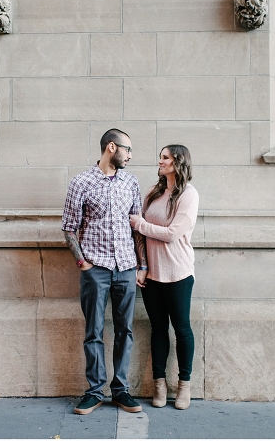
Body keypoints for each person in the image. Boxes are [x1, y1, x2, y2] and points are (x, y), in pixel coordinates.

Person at [62, 128, 148, 415]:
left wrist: (142, 265)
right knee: (94, 332)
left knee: (125, 330)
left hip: (126, 268)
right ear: (112, 148)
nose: (130, 155)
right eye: (128, 149)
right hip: (95, 268)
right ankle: (94, 391)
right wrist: (83, 264)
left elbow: (137, 227)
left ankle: (121, 391)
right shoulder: (81, 182)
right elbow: (69, 228)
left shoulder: (131, 183)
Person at [129, 144, 199, 410]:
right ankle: (159, 385)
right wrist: (142, 265)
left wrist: (142, 224)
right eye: (160, 156)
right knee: (158, 330)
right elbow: (139, 236)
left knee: (181, 329)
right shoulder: (153, 192)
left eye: (165, 157)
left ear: (178, 161)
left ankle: (184, 387)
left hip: (179, 273)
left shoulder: (189, 195)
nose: (160, 161)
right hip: (153, 275)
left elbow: (172, 234)